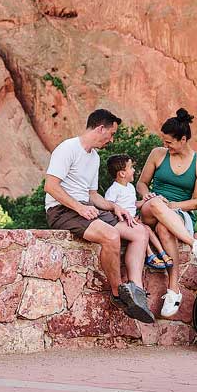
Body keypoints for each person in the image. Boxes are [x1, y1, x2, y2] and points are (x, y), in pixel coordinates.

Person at [44, 109, 155, 323]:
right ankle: (117, 294)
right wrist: (79, 208)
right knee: (111, 236)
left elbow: (92, 195)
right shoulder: (67, 148)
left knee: (139, 232)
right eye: (111, 134)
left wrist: (114, 207)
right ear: (100, 128)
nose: (111, 140)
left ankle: (136, 292)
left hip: (86, 207)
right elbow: (50, 186)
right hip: (62, 210)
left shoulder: (94, 157)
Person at [136, 108, 197, 318]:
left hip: (178, 213)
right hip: (150, 207)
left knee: (164, 228)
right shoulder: (157, 154)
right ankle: (193, 244)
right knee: (156, 205)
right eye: (164, 141)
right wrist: (150, 196)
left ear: (183, 139)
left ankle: (173, 289)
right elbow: (141, 183)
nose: (165, 146)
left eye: (169, 142)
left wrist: (173, 206)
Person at [104, 154, 185, 317]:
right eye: (131, 167)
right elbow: (110, 209)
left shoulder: (130, 188)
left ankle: (161, 254)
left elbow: (133, 204)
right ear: (122, 173)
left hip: (135, 221)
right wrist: (125, 218)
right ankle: (152, 255)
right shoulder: (113, 190)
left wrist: (148, 200)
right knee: (143, 230)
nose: (134, 170)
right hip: (125, 222)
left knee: (146, 229)